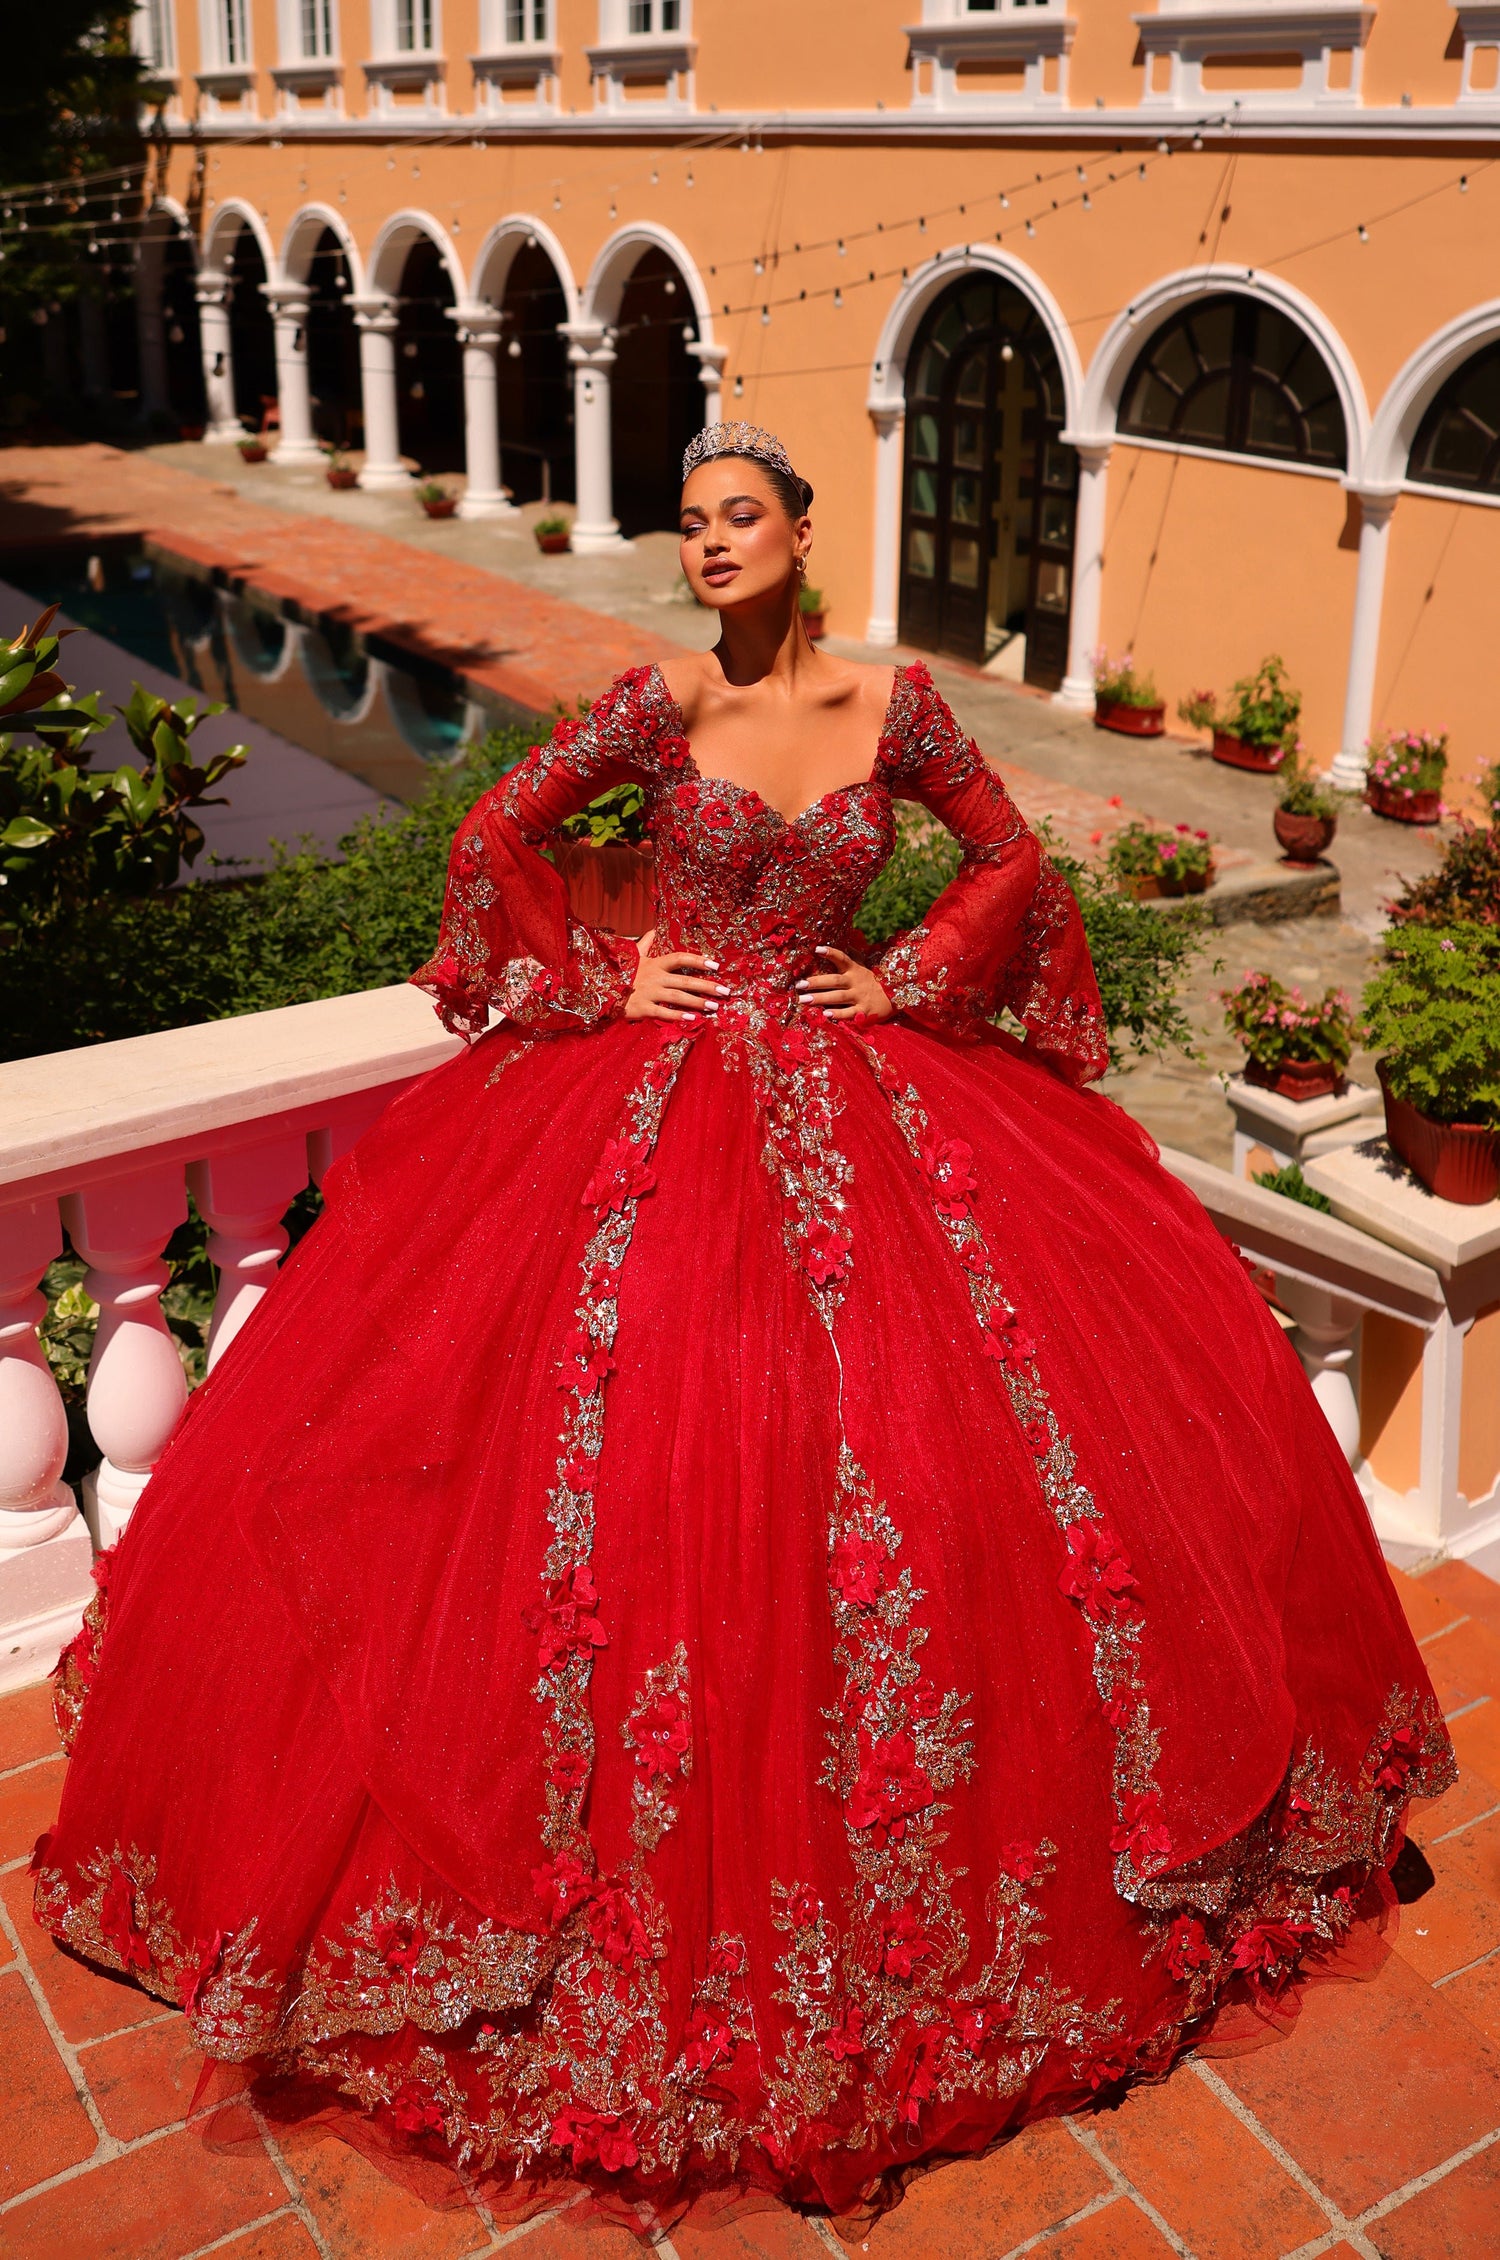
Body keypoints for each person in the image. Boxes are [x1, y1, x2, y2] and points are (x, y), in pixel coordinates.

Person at [35, 423, 1453, 2226]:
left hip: (875, 1105)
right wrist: (596, 972)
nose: (707, 545)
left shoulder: (902, 711)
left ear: (801, 535)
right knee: (628, 1483)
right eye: (690, 523)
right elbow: (500, 831)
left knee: (929, 1468)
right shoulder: (653, 709)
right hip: (662, 1110)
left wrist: (919, 975)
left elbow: (1012, 857)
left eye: (738, 519)